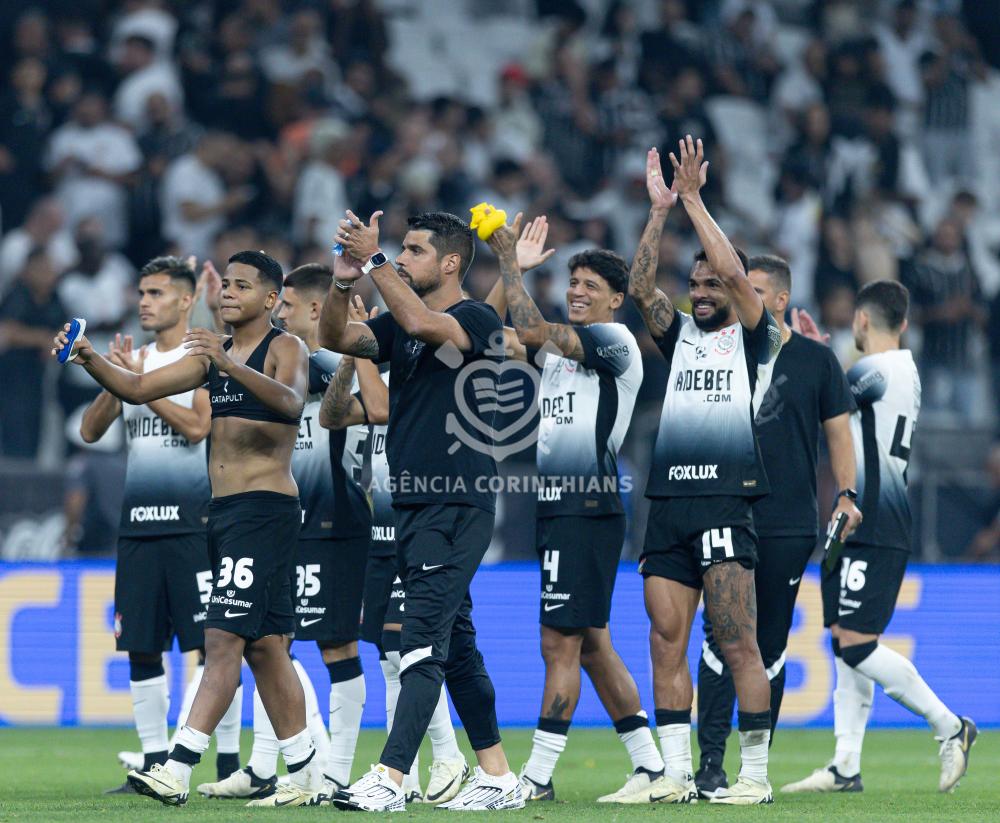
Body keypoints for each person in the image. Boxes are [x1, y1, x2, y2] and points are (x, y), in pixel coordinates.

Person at [53, 250, 324, 807]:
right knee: (267, 647)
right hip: (223, 515)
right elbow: (136, 388)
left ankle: (176, 766)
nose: (227, 293)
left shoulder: (283, 348)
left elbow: (293, 404)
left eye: (241, 286)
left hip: (263, 509)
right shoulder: (212, 355)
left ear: (271, 300)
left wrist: (225, 365)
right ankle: (305, 774)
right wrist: (87, 358)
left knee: (222, 639)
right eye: (225, 284)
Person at [319, 209, 524, 811]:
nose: (403, 258)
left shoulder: (475, 317)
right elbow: (337, 338)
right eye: (400, 250)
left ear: (452, 262)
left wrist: (375, 259)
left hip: (455, 501)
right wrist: (341, 281)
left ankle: (391, 777)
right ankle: (498, 777)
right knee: (456, 645)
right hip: (414, 503)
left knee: (420, 643)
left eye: (414, 250)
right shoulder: (403, 322)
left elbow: (416, 316)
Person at [483, 216, 666, 803]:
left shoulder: (616, 342)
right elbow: (491, 337)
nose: (579, 291)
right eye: (574, 282)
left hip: (586, 506)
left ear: (616, 298)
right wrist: (510, 274)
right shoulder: (559, 355)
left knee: (558, 642)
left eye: (591, 285)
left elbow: (531, 328)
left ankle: (535, 779)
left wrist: (511, 261)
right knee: (590, 642)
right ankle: (652, 769)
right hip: (560, 508)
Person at [626, 140, 781, 805]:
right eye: (695, 284)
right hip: (670, 503)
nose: (701, 290)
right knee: (666, 640)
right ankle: (677, 773)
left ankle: (754, 776)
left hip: (725, 501)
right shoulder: (682, 332)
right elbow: (638, 289)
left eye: (711, 281)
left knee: (738, 640)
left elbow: (739, 275)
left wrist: (692, 197)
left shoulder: (756, 333)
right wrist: (660, 211)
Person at [782, 281, 977, 795]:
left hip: (874, 519)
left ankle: (950, 726)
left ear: (862, 323)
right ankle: (846, 766)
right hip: (858, 519)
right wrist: (822, 352)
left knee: (856, 643)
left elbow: (821, 403)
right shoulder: (901, 370)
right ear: (904, 323)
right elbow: (841, 397)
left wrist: (805, 351)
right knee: (845, 638)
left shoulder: (877, 370)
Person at [195, 262, 371, 800]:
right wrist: (216, 313)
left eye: (288, 307)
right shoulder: (288, 353)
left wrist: (355, 352)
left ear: (317, 310)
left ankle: (333, 770)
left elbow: (278, 384)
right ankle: (275, 765)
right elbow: (238, 357)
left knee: (332, 644)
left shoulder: (317, 360)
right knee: (273, 643)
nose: (282, 317)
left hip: (330, 515)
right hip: (294, 515)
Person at [694, 254, 863, 798]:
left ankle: (754, 767)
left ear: (782, 300)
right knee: (721, 637)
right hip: (726, 515)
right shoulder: (722, 349)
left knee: (766, 646)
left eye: (755, 290)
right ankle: (710, 764)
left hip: (788, 522)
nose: (744, 298)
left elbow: (840, 436)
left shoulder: (816, 360)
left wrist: (846, 494)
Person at [77, 256, 243, 793]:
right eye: (142, 293)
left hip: (195, 524)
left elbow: (198, 426)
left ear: (185, 298)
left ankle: (223, 762)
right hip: (140, 526)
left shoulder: (201, 356)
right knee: (141, 647)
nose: (145, 301)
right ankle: (151, 763)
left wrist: (140, 382)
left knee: (211, 646)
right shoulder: (136, 361)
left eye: (156, 293)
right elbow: (89, 430)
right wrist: (117, 381)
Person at [325, 313, 469, 806]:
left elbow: (383, 409)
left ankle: (436, 761)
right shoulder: (374, 371)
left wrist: (362, 348)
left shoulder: (417, 381)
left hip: (419, 527)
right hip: (381, 532)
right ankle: (409, 773)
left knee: (403, 651)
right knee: (390, 660)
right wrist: (348, 358)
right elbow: (330, 416)